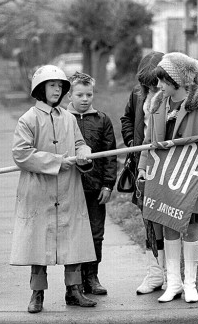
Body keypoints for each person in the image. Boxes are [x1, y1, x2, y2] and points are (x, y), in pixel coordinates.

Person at [10, 65, 98, 313]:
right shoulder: (28, 119)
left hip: (69, 189)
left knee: (72, 240)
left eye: (60, 86)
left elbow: (80, 143)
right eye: (52, 85)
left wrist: (84, 154)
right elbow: (21, 154)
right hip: (39, 190)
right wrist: (57, 161)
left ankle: (74, 290)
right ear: (40, 88)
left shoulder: (69, 118)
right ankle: (37, 293)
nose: (57, 90)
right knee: (40, 242)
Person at [137, 52, 198, 303]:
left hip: (191, 177)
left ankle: (190, 283)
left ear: (178, 81)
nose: (159, 86)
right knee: (168, 224)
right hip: (164, 176)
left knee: (192, 226)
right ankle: (172, 283)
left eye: (163, 80)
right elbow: (147, 141)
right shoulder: (156, 105)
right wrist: (143, 166)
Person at [120, 51, 168, 295]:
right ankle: (154, 272)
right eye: (147, 83)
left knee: (170, 218)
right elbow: (126, 118)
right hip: (144, 164)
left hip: (170, 166)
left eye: (155, 81)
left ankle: (172, 275)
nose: (152, 86)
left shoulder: (176, 92)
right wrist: (131, 141)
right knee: (149, 219)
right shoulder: (137, 95)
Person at [66, 72, 117, 295]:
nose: (85, 99)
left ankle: (92, 277)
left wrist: (108, 184)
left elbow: (110, 155)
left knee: (96, 233)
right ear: (70, 95)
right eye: (80, 94)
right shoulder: (62, 119)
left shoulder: (102, 120)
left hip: (96, 188)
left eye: (89, 94)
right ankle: (74, 281)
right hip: (70, 187)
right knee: (74, 234)